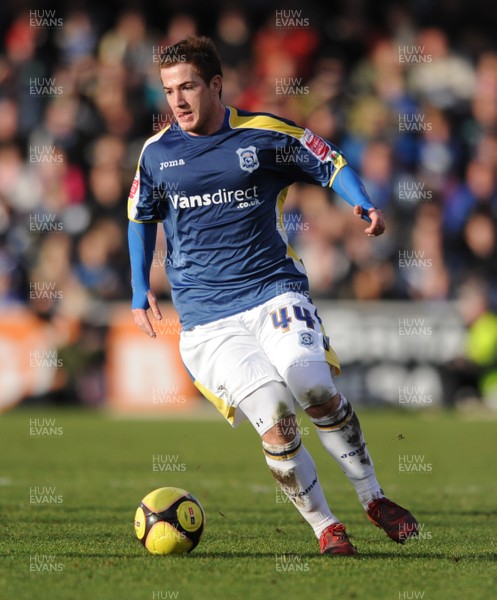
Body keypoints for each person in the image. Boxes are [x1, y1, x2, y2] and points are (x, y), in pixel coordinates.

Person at [128, 35, 418, 555]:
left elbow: (329, 160)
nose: (178, 101)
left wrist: (363, 203)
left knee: (312, 385)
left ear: (215, 84)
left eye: (188, 86)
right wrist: (137, 288)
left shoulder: (265, 136)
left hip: (271, 290)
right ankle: (326, 528)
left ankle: (373, 497)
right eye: (169, 90)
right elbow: (139, 217)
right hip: (206, 320)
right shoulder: (156, 154)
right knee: (277, 420)